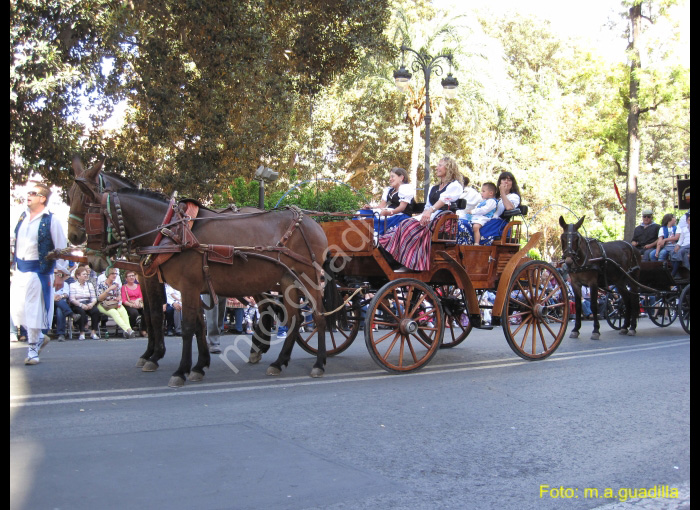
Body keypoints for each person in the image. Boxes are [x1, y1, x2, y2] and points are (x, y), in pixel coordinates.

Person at [11, 181, 69, 364]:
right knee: (19, 310)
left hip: (39, 271)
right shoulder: (22, 217)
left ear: (42, 198)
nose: (28, 195)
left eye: (32, 193)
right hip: (20, 270)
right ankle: (39, 338)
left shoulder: (51, 220)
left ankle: (33, 350)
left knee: (34, 309)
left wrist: (60, 273)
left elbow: (61, 248)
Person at [378, 157, 463, 271]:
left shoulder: (455, 185)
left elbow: (443, 200)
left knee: (407, 226)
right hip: (430, 215)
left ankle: (408, 263)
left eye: (440, 165)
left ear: (449, 168)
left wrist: (429, 212)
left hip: (442, 217)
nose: (437, 167)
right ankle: (394, 258)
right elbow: (427, 205)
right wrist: (423, 214)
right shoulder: (434, 188)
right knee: (401, 226)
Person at [457, 170, 522, 246]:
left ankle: (468, 249)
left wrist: (503, 193)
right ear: (500, 182)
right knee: (459, 222)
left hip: (498, 224)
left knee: (463, 224)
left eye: (509, 180)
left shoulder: (513, 196)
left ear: (512, 183)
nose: (506, 182)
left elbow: (509, 208)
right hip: (486, 220)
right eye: (504, 179)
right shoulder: (495, 197)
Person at [358, 167, 416, 235]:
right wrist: (370, 207)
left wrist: (389, 212)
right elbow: (381, 206)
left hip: (401, 216)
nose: (390, 179)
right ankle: (361, 234)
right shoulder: (389, 190)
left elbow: (402, 208)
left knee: (380, 219)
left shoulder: (406, 189)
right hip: (389, 214)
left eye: (392, 176)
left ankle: (375, 236)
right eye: (390, 177)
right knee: (361, 213)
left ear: (401, 178)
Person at [97, 268, 135, 338]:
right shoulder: (101, 284)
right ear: (108, 275)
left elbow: (119, 295)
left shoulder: (116, 284)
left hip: (114, 303)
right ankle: (128, 330)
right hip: (104, 304)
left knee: (123, 311)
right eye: (112, 274)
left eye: (116, 274)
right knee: (114, 312)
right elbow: (99, 298)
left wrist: (119, 298)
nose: (114, 275)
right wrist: (109, 289)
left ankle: (128, 330)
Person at [68, 267, 102, 340]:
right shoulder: (73, 285)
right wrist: (81, 305)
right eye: (84, 274)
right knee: (81, 312)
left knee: (96, 311)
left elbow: (94, 298)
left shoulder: (90, 285)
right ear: (78, 276)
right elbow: (72, 299)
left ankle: (93, 332)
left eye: (87, 274)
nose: (86, 276)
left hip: (88, 302)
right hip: (77, 303)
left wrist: (92, 304)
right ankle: (82, 332)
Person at [121, 270, 147, 336]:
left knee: (146, 311)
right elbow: (124, 300)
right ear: (126, 278)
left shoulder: (139, 286)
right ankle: (130, 328)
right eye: (130, 276)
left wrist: (138, 300)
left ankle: (143, 330)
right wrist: (132, 305)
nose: (132, 277)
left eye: (133, 276)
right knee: (134, 313)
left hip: (139, 303)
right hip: (129, 304)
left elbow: (142, 296)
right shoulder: (124, 287)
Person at [52, 268, 73, 341]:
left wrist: (60, 296)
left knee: (60, 309)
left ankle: (61, 334)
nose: (55, 275)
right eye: (54, 273)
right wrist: (52, 298)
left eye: (58, 274)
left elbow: (66, 294)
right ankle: (70, 313)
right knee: (58, 303)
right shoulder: (48, 282)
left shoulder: (65, 284)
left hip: (61, 303)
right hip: (49, 304)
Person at [671, 211, 690, 276]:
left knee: (681, 251)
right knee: (672, 252)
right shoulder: (684, 229)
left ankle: (673, 274)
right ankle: (677, 274)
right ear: (687, 221)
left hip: (688, 247)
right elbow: (680, 240)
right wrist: (677, 245)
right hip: (683, 246)